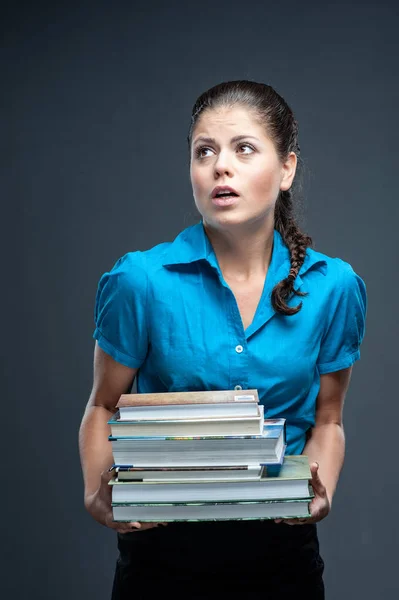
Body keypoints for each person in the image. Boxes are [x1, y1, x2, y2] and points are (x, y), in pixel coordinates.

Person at [78, 80, 367, 599]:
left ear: (287, 170)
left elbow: (329, 418)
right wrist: (96, 493)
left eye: (244, 149)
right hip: (161, 558)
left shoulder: (334, 287)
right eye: (204, 151)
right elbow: (102, 405)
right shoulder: (139, 280)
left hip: (283, 560)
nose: (220, 167)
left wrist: (322, 491)